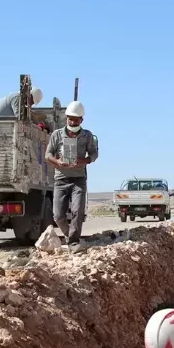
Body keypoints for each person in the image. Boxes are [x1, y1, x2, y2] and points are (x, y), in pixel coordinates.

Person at [45, 102, 98, 251]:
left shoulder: (87, 135)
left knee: (77, 211)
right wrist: (58, 162)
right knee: (58, 216)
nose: (73, 122)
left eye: (76, 119)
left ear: (82, 120)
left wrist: (85, 160)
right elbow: (48, 154)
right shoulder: (57, 134)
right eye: (70, 119)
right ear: (66, 118)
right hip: (61, 180)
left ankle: (74, 243)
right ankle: (71, 237)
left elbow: (94, 154)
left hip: (78, 180)